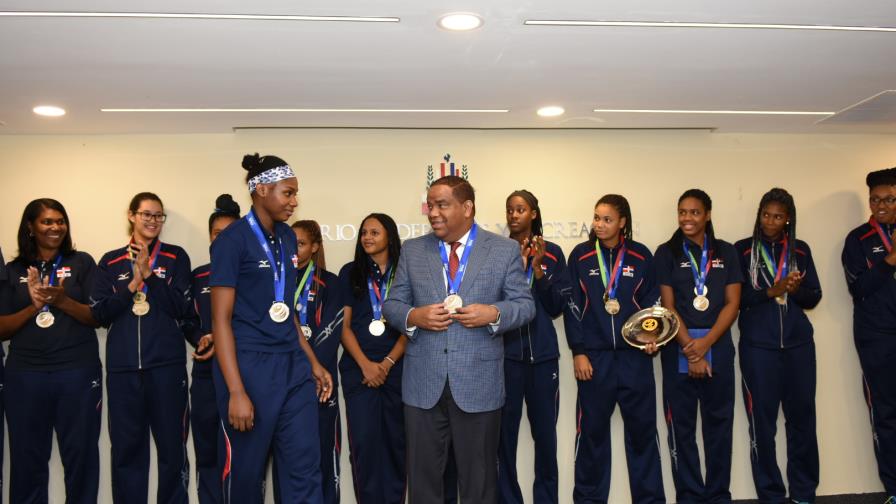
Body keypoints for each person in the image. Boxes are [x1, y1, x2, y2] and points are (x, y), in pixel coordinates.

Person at [382, 175, 535, 504]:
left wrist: (492, 313)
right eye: (430, 205)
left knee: (479, 483)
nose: (433, 212)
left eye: (442, 205)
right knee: (423, 485)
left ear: (467, 208)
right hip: (423, 385)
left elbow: (525, 306)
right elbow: (392, 305)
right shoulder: (412, 250)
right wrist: (414, 317)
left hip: (479, 384)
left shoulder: (504, 250)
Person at [210, 153, 332, 504]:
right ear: (261, 189)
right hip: (248, 366)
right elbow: (220, 320)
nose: (294, 202)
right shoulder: (231, 241)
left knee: (304, 468)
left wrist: (312, 361)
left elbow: (288, 310)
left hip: (292, 365)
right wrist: (235, 390)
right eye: (288, 193)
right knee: (245, 475)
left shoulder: (288, 239)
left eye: (296, 194)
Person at [92, 192, 193, 503]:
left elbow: (182, 309)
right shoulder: (110, 261)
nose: (153, 220)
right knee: (126, 454)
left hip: (166, 369)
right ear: (131, 216)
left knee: (172, 452)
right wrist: (133, 284)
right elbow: (100, 312)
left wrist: (153, 277)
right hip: (123, 372)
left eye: (158, 215)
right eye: (147, 214)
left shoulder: (176, 257)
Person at [564, 194, 665, 503]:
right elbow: (571, 306)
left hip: (635, 359)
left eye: (607, 219)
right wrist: (578, 350)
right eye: (596, 218)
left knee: (643, 436)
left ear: (622, 222)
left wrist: (653, 338)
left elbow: (652, 304)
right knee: (592, 437)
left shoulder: (640, 255)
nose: (599, 224)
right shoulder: (580, 256)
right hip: (594, 360)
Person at [0, 199, 101, 503]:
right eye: (46, 222)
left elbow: (97, 316)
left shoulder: (82, 262)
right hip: (25, 376)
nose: (55, 227)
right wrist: (34, 306)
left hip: (77, 373)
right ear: (30, 227)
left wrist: (61, 301)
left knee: (81, 458)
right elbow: (2, 328)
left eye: (60, 221)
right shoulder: (13, 269)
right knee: (27, 461)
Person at [654, 188, 742, 504]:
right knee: (682, 430)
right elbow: (668, 305)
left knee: (719, 428)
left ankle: (719, 495)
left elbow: (733, 304)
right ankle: (689, 496)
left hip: (716, 344)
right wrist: (691, 347)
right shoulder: (666, 253)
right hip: (679, 345)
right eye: (682, 212)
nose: (687, 218)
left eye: (694, 212)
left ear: (707, 215)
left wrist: (705, 344)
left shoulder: (727, 252)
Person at [734, 188, 821, 504]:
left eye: (778, 216)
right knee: (762, 425)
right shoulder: (742, 251)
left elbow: (814, 297)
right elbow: (737, 300)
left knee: (802, 421)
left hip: (799, 347)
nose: (771, 221)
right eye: (766, 215)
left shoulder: (801, 250)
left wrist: (794, 291)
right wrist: (773, 290)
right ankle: (770, 494)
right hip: (759, 349)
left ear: (788, 220)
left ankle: (804, 493)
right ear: (759, 215)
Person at [498, 190, 568, 504]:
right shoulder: (496, 253)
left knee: (546, 440)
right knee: (503, 441)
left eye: (521, 209)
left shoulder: (553, 253)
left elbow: (556, 306)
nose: (514, 215)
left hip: (543, 359)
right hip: (506, 359)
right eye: (510, 210)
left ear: (533, 214)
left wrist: (537, 269)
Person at [338, 213, 408, 502]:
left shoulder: (406, 271)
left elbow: (411, 324)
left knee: (396, 444)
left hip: (399, 369)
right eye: (364, 232)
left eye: (374, 232)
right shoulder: (350, 272)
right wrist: (366, 365)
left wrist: (388, 363)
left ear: (389, 236)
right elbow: (343, 327)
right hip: (359, 370)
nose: (367, 237)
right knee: (364, 446)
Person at [182, 194, 241, 504]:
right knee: (206, 454)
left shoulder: (252, 275)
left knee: (242, 458)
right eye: (219, 233)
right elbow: (187, 321)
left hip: (242, 377)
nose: (224, 239)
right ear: (210, 237)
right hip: (206, 374)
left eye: (231, 233)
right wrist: (202, 337)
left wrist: (224, 337)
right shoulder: (198, 276)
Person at [842, 167, 896, 502]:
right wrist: (889, 260)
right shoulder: (858, 239)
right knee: (886, 414)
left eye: (889, 199)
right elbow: (858, 287)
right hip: (878, 338)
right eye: (875, 199)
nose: (880, 205)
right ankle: (894, 488)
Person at [292, 219, 345, 504]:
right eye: (290, 243)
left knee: (325, 454)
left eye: (300, 244)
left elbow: (332, 329)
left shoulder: (331, 282)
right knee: (289, 459)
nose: (294, 250)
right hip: (285, 378)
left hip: (320, 378)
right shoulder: (276, 282)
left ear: (314, 247)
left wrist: (312, 365)